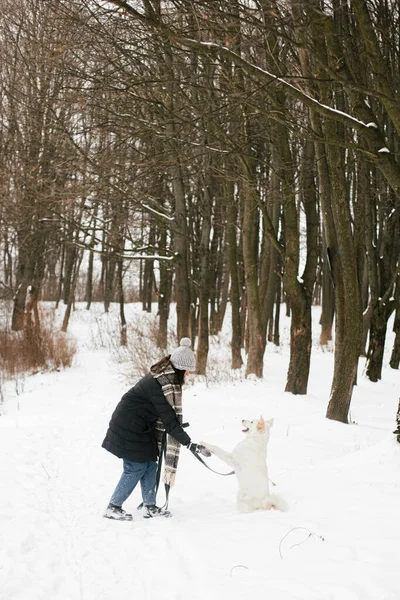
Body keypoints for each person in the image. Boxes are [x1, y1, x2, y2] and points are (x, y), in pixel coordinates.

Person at [102, 337, 210, 521]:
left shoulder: (164, 378)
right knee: (135, 467)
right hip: (128, 426)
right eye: (186, 372)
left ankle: (149, 505)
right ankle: (113, 506)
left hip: (142, 426)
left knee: (150, 464)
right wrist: (190, 444)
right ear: (178, 369)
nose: (187, 375)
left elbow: (169, 420)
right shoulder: (160, 386)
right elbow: (170, 421)